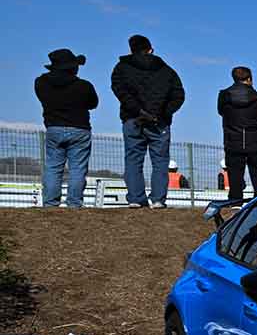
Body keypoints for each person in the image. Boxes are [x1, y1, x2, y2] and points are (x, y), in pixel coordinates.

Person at [111, 34, 185, 208]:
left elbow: (120, 92)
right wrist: (163, 113)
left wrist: (138, 111)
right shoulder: (167, 71)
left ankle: (135, 199)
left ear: (131, 49)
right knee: (160, 161)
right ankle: (158, 199)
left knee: (133, 159)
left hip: (133, 119)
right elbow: (178, 95)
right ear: (150, 49)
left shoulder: (121, 68)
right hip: (160, 122)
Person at [34, 48, 99, 208]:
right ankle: (74, 203)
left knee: (53, 168)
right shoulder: (84, 86)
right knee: (77, 169)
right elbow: (93, 103)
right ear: (72, 68)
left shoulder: (41, 83)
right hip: (79, 129)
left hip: (54, 128)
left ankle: (50, 204)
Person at [217, 66, 257, 202]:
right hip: (255, 140)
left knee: (234, 172)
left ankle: (235, 200)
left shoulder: (224, 96)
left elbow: (221, 111)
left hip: (232, 139)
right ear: (249, 79)